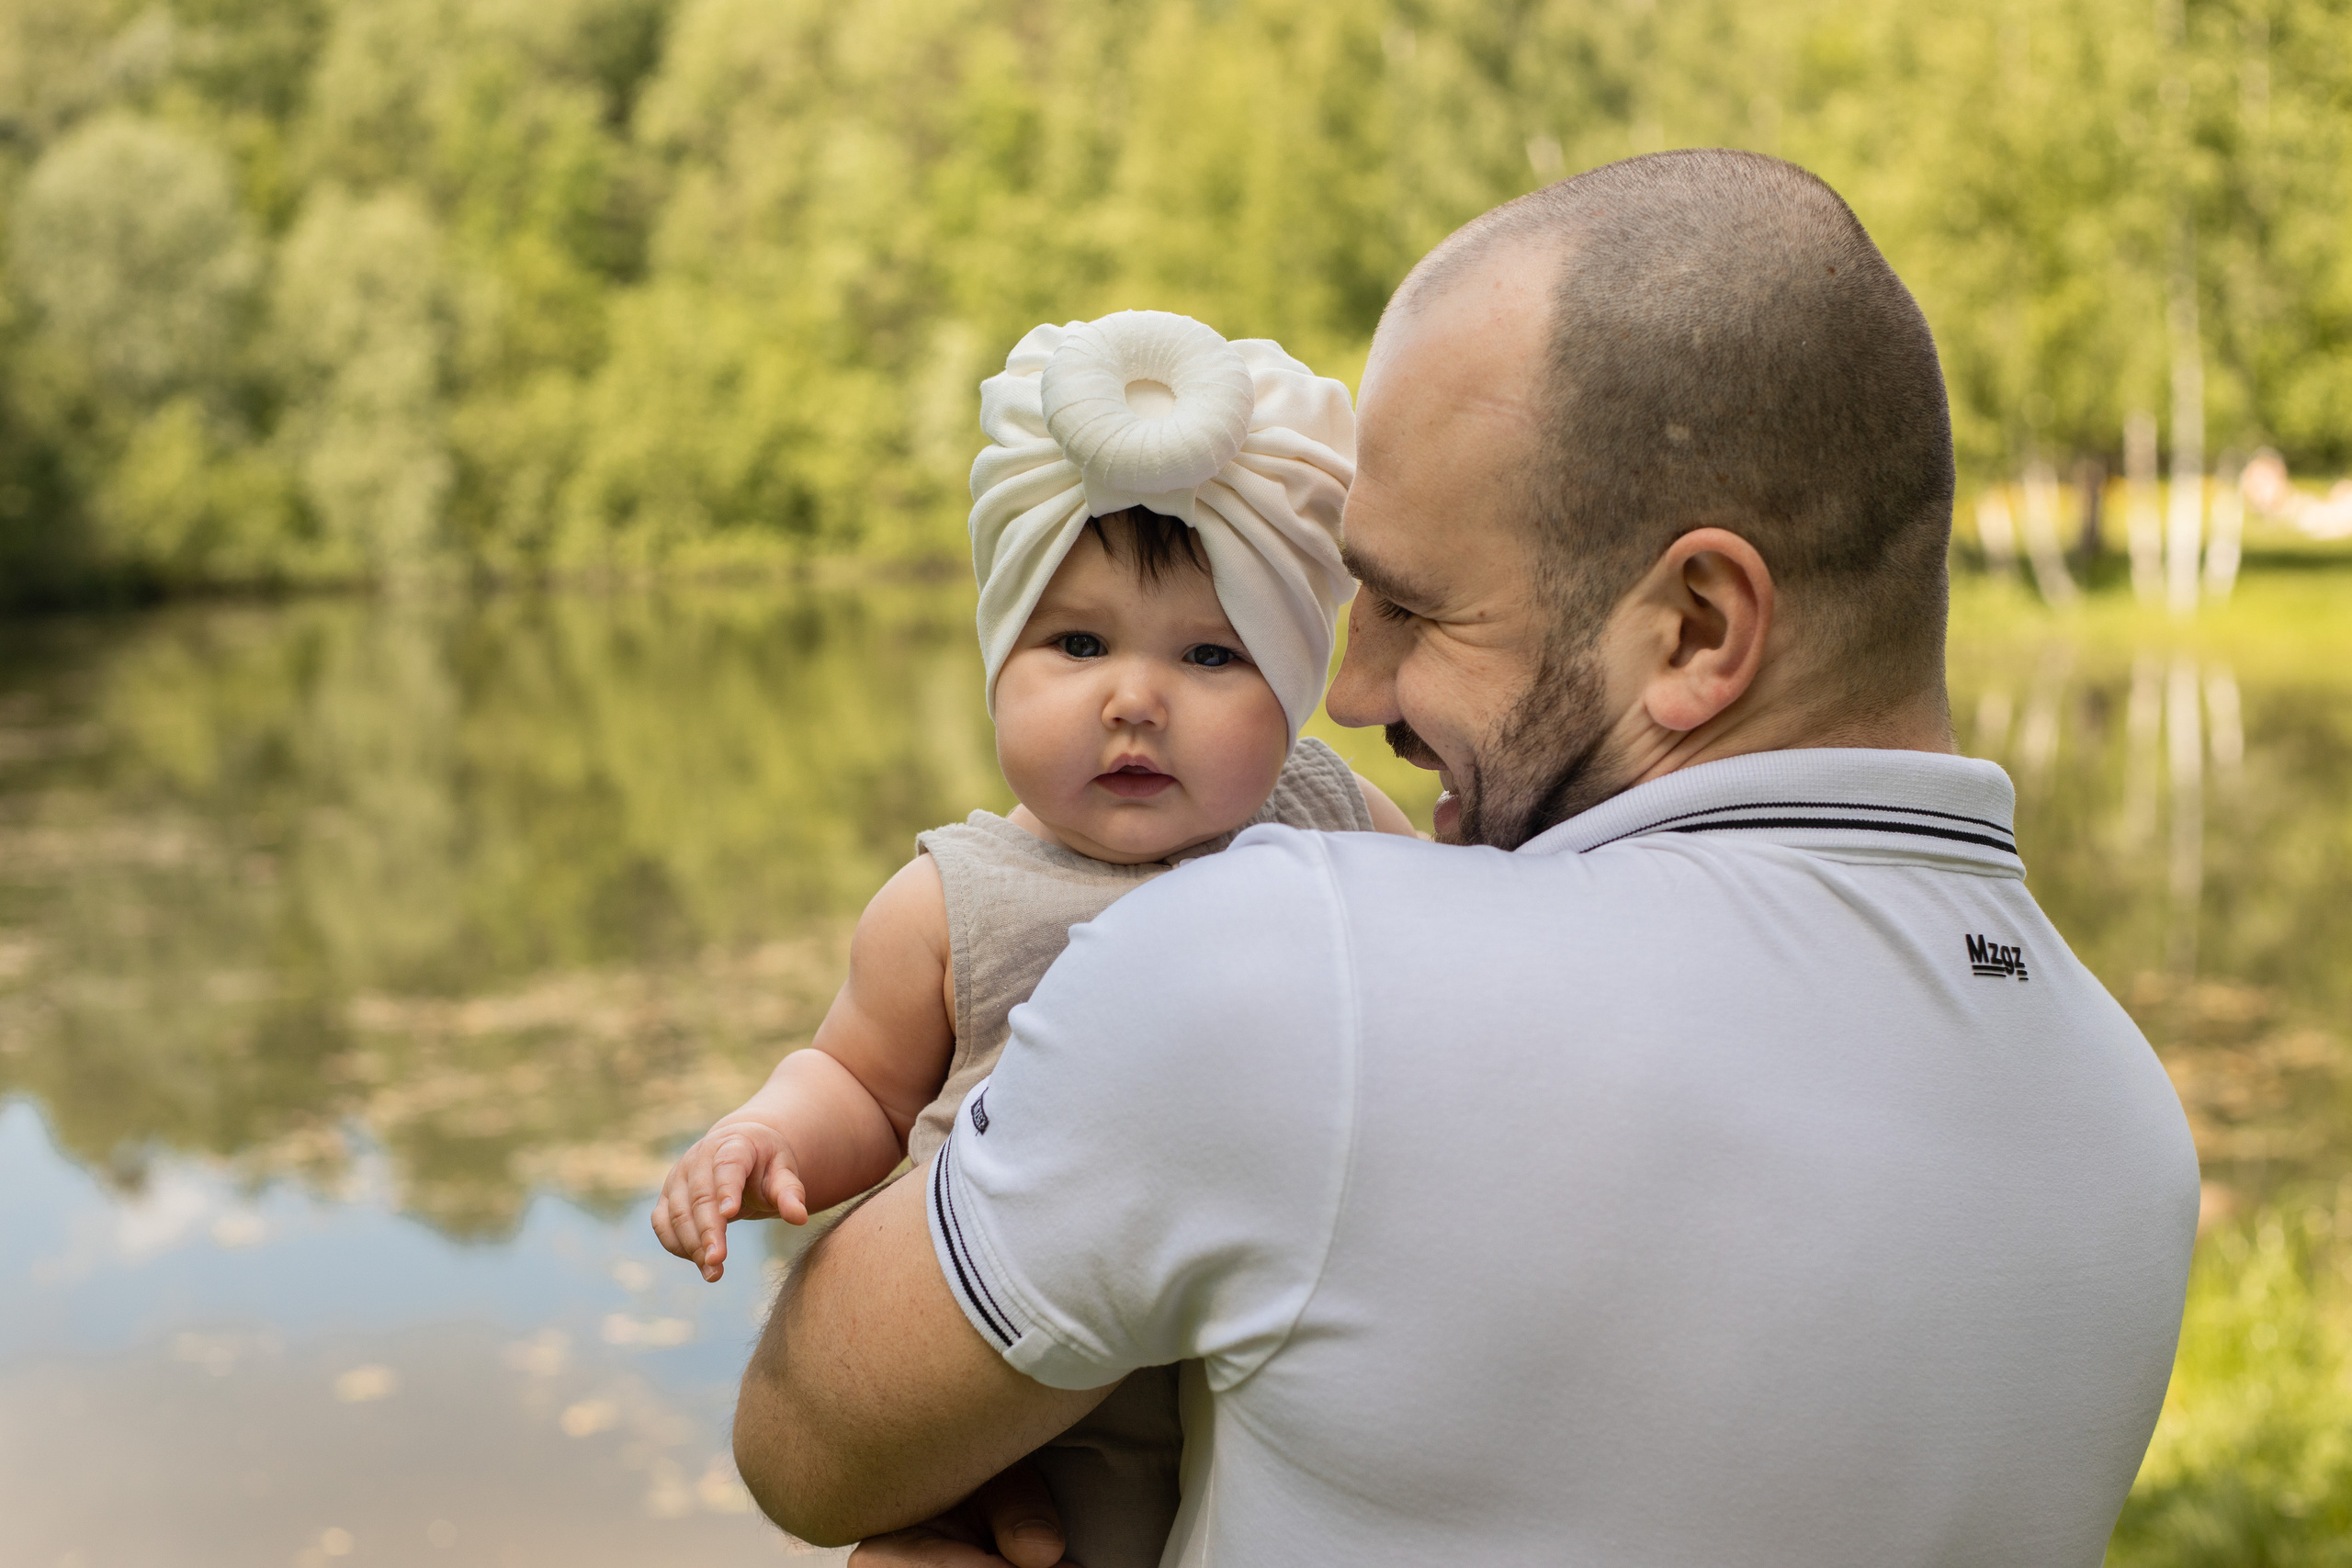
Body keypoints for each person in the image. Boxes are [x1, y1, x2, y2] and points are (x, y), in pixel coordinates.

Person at [732, 150, 2201, 1568]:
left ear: (1696, 627)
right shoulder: (2131, 1125)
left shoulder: (1286, 964)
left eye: (1415, 609)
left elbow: (807, 1444)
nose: (1350, 692)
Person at [650, 309, 1417, 1567]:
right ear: (999, 661)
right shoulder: (955, 902)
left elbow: (1455, 964)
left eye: (1210, 654)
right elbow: (857, 1081)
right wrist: (766, 1137)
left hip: (1292, 1376)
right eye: (1078, 643)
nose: (1134, 697)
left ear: (1291, 695)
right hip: (1047, 1428)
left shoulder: (1334, 815)